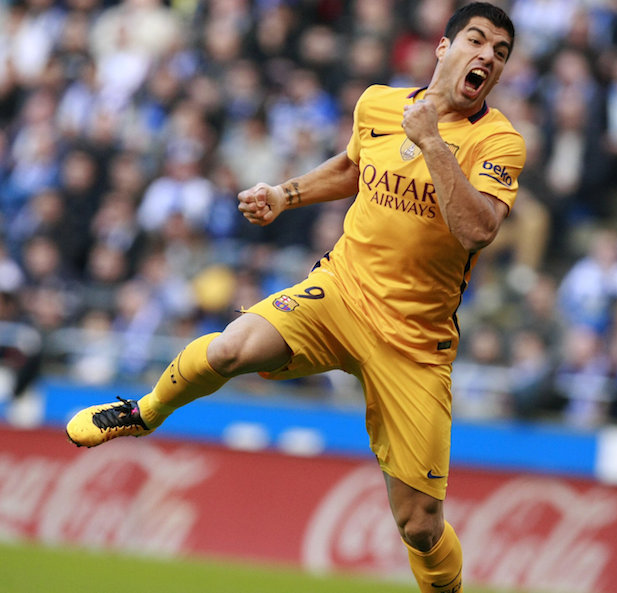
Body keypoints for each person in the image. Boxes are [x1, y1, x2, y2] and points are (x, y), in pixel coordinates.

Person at [66, 4, 524, 592]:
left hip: (414, 340)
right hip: (340, 291)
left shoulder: (499, 141)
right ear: (443, 48)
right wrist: (287, 193)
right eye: (478, 41)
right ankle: (143, 413)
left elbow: (478, 229)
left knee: (419, 525)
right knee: (233, 348)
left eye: (501, 52)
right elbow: (355, 167)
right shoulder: (379, 104)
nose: (488, 55)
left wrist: (434, 142)